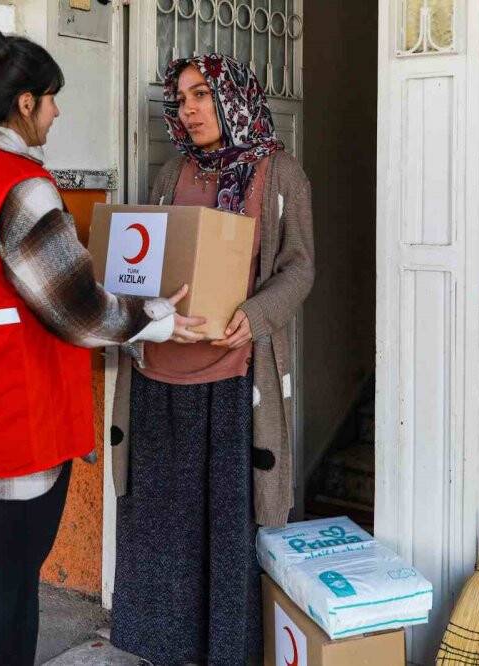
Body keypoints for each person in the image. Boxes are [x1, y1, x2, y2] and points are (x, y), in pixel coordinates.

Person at [0, 23, 204, 666]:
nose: (58, 111)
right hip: (13, 419)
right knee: (11, 585)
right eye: (52, 98)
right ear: (24, 104)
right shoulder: (19, 185)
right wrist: (155, 317)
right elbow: (79, 311)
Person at [110, 54, 315, 665]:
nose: (190, 108)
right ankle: (162, 648)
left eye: (202, 94)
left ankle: (222, 652)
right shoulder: (172, 172)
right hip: (159, 376)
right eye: (181, 99)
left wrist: (252, 318)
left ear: (233, 97)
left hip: (231, 383)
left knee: (226, 529)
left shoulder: (279, 173)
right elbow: (145, 262)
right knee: (161, 527)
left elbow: (300, 267)